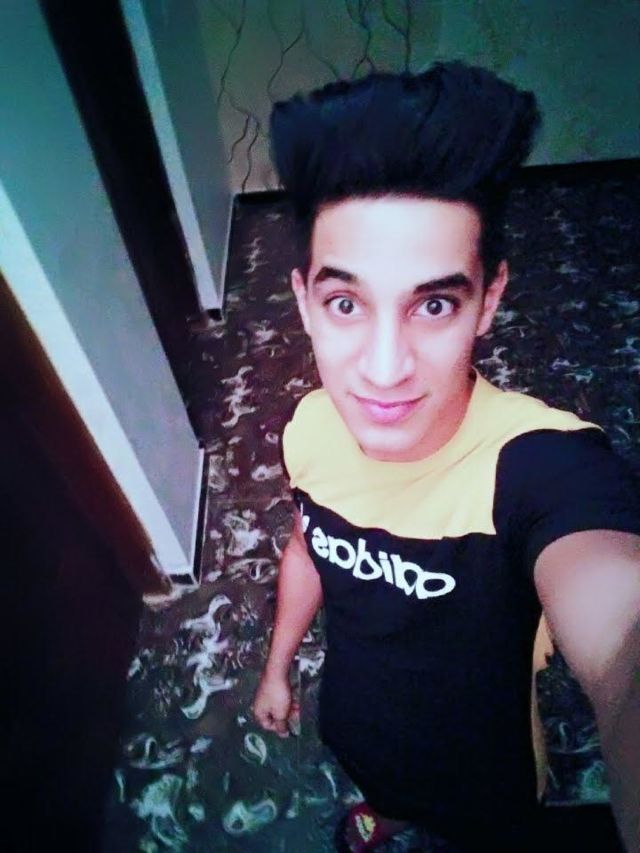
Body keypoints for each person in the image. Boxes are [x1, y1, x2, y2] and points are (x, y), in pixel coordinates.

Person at [251, 61, 640, 852]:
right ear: (304, 302)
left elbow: (622, 632)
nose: (384, 369)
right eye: (346, 303)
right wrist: (276, 666)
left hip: (486, 772)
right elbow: (306, 546)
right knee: (381, 784)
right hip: (358, 723)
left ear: (488, 300)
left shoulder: (542, 470)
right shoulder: (312, 425)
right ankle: (388, 808)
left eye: (433, 304)